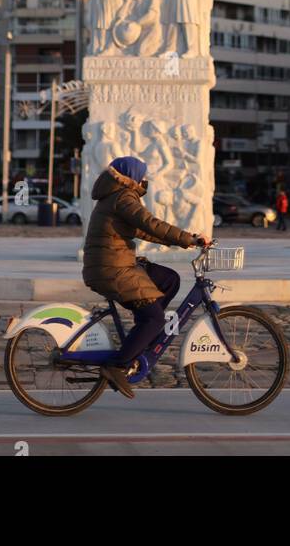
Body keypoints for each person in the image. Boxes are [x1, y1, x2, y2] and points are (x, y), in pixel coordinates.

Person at [81, 155, 209, 399]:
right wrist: (187, 239)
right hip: (111, 269)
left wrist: (188, 240)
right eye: (142, 177)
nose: (144, 181)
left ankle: (143, 340)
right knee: (154, 319)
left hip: (114, 264)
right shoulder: (123, 197)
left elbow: (144, 230)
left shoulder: (116, 196)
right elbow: (150, 223)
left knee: (169, 279)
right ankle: (117, 365)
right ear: (131, 177)